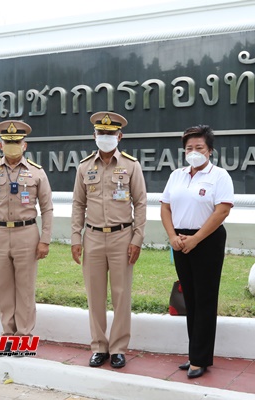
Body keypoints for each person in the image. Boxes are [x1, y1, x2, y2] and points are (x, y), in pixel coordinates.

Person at [71, 111, 147, 369]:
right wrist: (75, 238)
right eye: (101, 133)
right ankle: (99, 346)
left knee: (121, 294)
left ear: (120, 136)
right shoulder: (84, 167)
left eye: (110, 134)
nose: (105, 137)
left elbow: (141, 203)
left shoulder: (131, 165)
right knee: (94, 295)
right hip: (92, 236)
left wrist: (137, 238)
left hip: (122, 237)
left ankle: (118, 348)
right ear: (94, 136)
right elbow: (78, 204)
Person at [160, 125, 234, 379]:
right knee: (189, 298)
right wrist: (172, 237)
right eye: (189, 148)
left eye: (199, 147)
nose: (194, 152)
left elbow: (222, 211)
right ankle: (194, 354)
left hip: (208, 240)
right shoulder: (177, 175)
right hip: (180, 240)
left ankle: (200, 359)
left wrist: (196, 239)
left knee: (205, 299)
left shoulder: (220, 176)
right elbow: (165, 208)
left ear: (210, 151)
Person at [0, 120, 53, 344]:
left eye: (16, 142)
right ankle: (8, 333)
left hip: (26, 233)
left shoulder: (37, 173)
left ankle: (24, 334)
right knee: (4, 286)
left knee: (25, 287)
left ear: (24, 145)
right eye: (8, 142)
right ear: (0, 145)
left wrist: (45, 239)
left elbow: (47, 208)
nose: (12, 145)